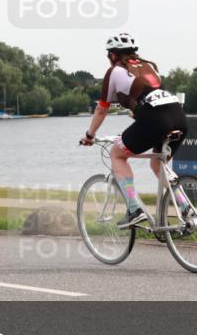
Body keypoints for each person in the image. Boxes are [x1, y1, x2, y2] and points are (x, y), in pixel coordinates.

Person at [79, 32, 190, 228]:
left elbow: (102, 108)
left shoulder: (114, 71)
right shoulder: (151, 66)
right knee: (158, 165)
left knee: (117, 154)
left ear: (113, 55)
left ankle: (134, 209)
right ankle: (186, 208)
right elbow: (151, 97)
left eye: (109, 55)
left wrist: (90, 135)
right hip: (179, 116)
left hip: (156, 119)